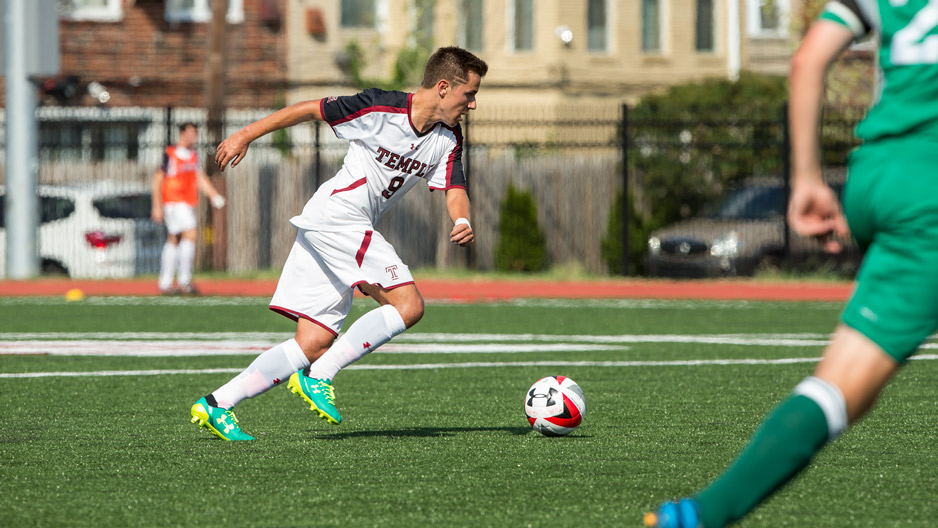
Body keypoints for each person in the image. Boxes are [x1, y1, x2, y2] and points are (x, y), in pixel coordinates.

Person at [645, 1, 938, 526]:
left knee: (842, 387)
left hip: (883, 174)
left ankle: (697, 514)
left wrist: (806, 178)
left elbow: (808, 59)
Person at [189, 47, 488, 441]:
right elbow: (310, 108)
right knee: (409, 305)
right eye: (470, 94)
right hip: (338, 217)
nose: (474, 103)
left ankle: (217, 404)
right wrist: (246, 134)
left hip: (331, 226)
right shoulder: (380, 107)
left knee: (313, 342)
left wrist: (462, 218)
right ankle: (321, 376)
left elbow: (454, 187)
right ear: (445, 87)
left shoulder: (448, 138)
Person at [151, 122, 226, 295]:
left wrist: (213, 195)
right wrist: (156, 205)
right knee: (190, 235)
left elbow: (200, 177)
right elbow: (157, 178)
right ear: (182, 133)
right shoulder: (170, 153)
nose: (194, 136)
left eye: (196, 133)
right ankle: (184, 281)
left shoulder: (193, 155)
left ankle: (166, 282)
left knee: (174, 239)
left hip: (187, 202)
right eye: (191, 132)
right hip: (174, 202)